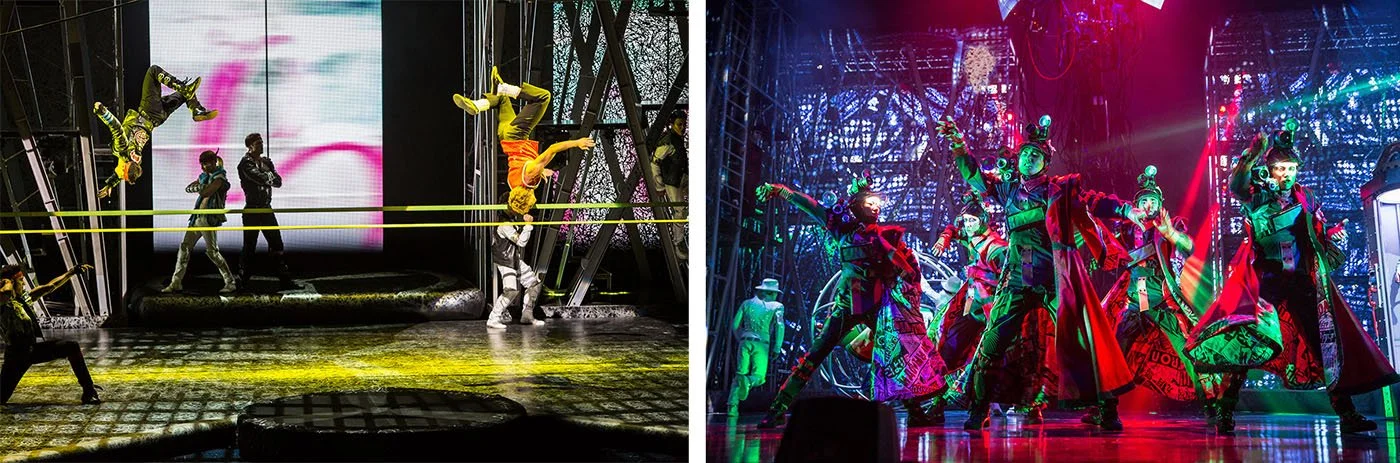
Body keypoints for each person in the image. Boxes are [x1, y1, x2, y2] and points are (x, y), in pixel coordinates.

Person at [1187, 121, 1399, 434]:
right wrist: (1250, 155)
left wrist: (1333, 238)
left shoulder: (1307, 198)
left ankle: (1346, 414)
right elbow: (1235, 187)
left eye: (1290, 168)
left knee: (1324, 345)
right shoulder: (1257, 196)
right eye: (1280, 169)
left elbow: (1317, 235)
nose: (1286, 174)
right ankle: (1226, 410)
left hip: (1301, 282)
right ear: (1269, 171)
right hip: (1265, 283)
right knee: (1247, 345)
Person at [937, 114, 1148, 431]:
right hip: (1018, 280)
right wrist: (958, 144)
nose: (1027, 158)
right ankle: (978, 408)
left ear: (1045, 161)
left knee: (1085, 340)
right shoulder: (1007, 191)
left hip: (1055, 279)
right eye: (1024, 154)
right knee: (993, 342)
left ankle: (1107, 408)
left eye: (1034, 155)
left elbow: (1094, 201)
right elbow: (975, 176)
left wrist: (1127, 210)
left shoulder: (1059, 190)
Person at [754, 173, 945, 428]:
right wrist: (780, 190)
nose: (876, 207)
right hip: (846, 306)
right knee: (814, 355)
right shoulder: (841, 230)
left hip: (877, 308)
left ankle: (914, 411)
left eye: (878, 204)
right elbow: (811, 206)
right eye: (870, 203)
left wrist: (902, 295)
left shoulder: (887, 237)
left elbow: (908, 270)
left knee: (896, 356)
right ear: (856, 206)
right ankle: (778, 407)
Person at [1083, 165, 1219, 425]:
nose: (1147, 205)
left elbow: (1188, 247)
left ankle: (1212, 403)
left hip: (1164, 300)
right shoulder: (1126, 230)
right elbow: (1105, 245)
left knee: (1188, 350)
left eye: (1152, 200)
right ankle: (1106, 408)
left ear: (1160, 204)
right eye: (1143, 201)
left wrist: (1170, 233)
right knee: (1114, 351)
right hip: (1134, 299)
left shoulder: (1169, 226)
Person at [453, 67, 595, 216]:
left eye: (530, 204)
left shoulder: (530, 176)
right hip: (505, 137)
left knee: (543, 97)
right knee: (501, 99)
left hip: (517, 135)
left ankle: (504, 87)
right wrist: (540, 171)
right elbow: (523, 166)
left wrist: (577, 143)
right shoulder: (513, 185)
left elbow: (553, 149)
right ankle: (478, 105)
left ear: (528, 199)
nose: (533, 203)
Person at [925, 191, 1009, 423]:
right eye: (967, 221)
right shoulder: (973, 238)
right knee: (949, 348)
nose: (969, 226)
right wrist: (944, 237)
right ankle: (938, 403)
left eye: (973, 221)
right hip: (970, 305)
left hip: (992, 309)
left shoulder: (997, 247)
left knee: (989, 358)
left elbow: (1009, 275)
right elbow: (954, 229)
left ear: (983, 221)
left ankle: (988, 408)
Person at [93, 65, 218, 199]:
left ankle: (196, 109)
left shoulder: (135, 161)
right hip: (149, 112)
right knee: (153, 71)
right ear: (126, 166)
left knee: (185, 94)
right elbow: (116, 129)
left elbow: (118, 174)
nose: (122, 174)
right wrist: (102, 112)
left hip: (157, 120)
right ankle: (185, 91)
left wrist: (110, 185)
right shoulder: (122, 149)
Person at [0, 264, 102, 405]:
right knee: (1, 398)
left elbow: (50, 286)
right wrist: (7, 281)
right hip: (16, 357)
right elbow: (5, 293)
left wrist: (71, 272)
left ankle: (89, 391)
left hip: (32, 350)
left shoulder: (25, 299)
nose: (24, 283)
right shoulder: (3, 303)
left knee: (71, 347)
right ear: (11, 282)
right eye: (20, 280)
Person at [163, 150, 236, 294]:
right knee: (184, 249)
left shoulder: (220, 178)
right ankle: (176, 282)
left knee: (213, 252)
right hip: (197, 218)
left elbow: (206, 192)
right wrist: (200, 186)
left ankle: (230, 282)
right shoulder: (204, 177)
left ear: (214, 162)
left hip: (208, 219)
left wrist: (200, 187)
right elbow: (189, 188)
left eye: (206, 163)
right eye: (202, 164)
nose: (203, 167)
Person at [236, 133, 294, 291]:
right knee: (249, 247)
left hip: (266, 209)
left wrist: (267, 175)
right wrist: (269, 175)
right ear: (250, 146)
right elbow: (260, 178)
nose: (261, 145)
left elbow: (279, 182)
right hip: (252, 210)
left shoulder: (266, 161)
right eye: (258, 143)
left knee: (277, 244)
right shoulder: (245, 163)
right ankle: (242, 281)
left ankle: (285, 280)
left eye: (261, 142)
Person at [727, 278, 784, 415]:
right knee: (759, 377)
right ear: (770, 293)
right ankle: (747, 382)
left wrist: (741, 338)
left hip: (745, 341)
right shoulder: (777, 306)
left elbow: (735, 325)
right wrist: (777, 347)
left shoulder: (746, 304)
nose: (776, 295)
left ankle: (732, 407)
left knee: (740, 374)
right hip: (762, 345)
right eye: (775, 293)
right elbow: (780, 326)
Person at [486, 202, 546, 330]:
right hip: (506, 261)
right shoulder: (505, 224)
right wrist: (528, 226)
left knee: (533, 283)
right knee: (511, 289)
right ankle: (493, 318)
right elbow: (521, 241)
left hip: (513, 259)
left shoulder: (509, 221)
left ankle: (527, 315)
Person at [652, 110, 688, 260]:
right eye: (680, 124)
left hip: (681, 177)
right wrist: (659, 186)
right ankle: (678, 242)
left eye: (684, 124)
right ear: (672, 125)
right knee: (679, 211)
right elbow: (654, 164)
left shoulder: (677, 139)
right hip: (672, 181)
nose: (683, 127)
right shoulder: (667, 141)